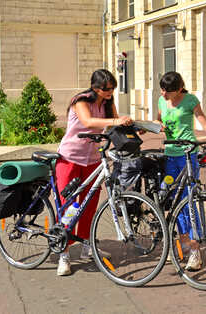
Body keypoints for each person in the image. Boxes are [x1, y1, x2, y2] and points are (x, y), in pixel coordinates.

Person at [56, 69, 133, 276]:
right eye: (106, 89)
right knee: (70, 206)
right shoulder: (80, 101)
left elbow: (116, 123)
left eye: (112, 89)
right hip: (70, 158)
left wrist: (133, 128)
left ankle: (86, 246)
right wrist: (116, 121)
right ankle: (63, 253)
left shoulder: (107, 103)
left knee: (89, 206)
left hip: (92, 160)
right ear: (95, 87)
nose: (110, 92)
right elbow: (88, 122)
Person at [156, 71, 206, 271]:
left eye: (167, 91)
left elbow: (203, 121)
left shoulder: (190, 100)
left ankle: (195, 250)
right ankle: (178, 241)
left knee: (189, 201)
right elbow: (159, 120)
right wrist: (155, 125)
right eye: (162, 90)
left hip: (187, 155)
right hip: (169, 156)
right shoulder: (162, 100)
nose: (164, 94)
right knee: (169, 199)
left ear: (178, 89)